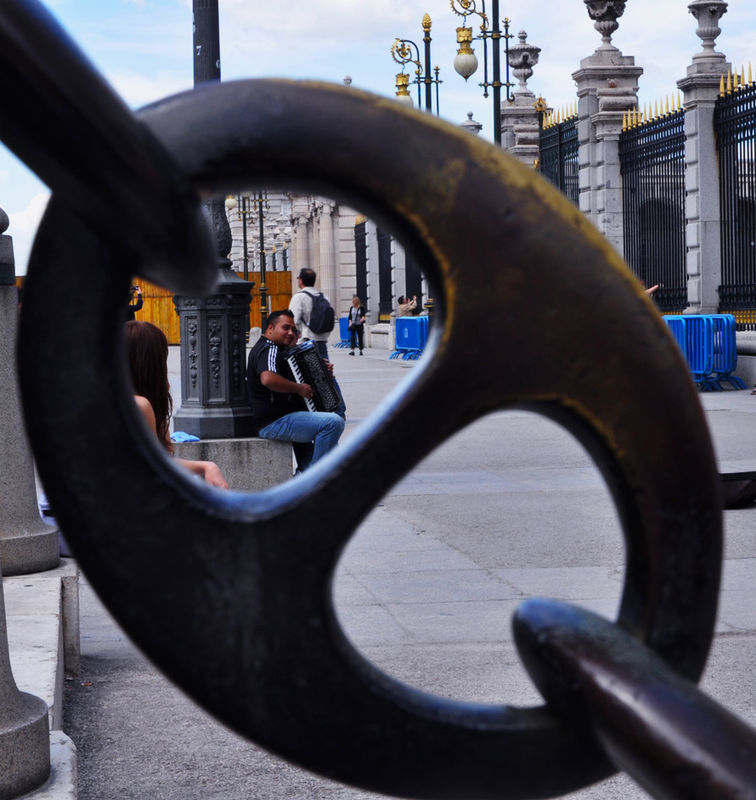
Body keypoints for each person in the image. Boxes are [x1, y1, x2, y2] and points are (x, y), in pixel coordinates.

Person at [124, 320, 228, 489]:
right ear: (151, 364)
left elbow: (163, 460)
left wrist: (207, 466)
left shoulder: (141, 402)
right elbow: (156, 466)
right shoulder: (138, 405)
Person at [246, 309, 344, 472]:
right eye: (285, 328)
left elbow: (298, 375)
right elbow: (268, 378)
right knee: (333, 423)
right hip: (273, 422)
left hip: (285, 416)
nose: (291, 333)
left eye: (293, 329)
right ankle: (315, 477)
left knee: (327, 430)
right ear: (270, 328)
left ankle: (307, 473)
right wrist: (299, 388)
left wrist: (322, 372)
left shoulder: (280, 349)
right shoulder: (269, 348)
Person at [289, 267, 346, 416]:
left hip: (306, 343)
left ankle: (318, 408)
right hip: (321, 342)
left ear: (301, 281)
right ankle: (339, 408)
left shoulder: (299, 297)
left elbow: (293, 321)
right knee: (327, 376)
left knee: (306, 377)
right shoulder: (324, 296)